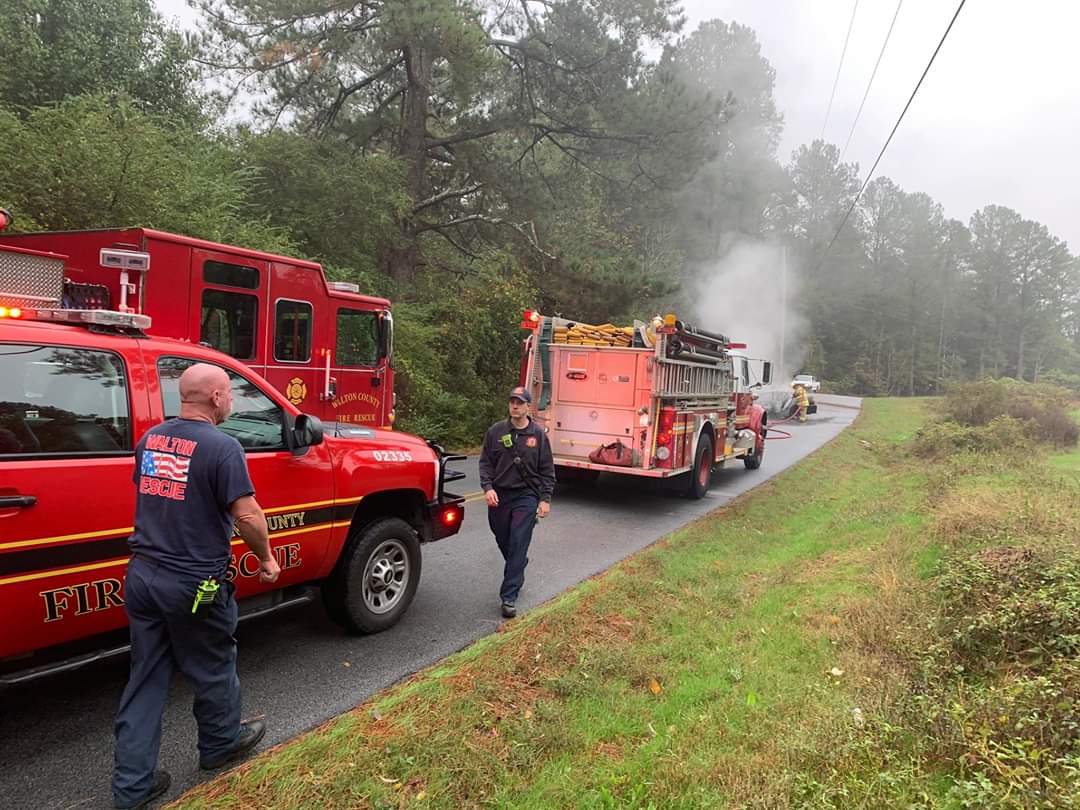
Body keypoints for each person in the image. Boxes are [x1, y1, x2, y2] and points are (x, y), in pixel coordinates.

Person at [112, 363, 280, 809]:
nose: (231, 402)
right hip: (193, 583)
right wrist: (265, 557)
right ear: (217, 398)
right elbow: (246, 515)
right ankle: (221, 744)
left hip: (143, 576)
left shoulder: (151, 439)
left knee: (145, 676)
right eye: (229, 395)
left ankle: (132, 787)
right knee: (212, 662)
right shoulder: (222, 447)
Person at [478, 386, 556, 618]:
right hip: (500, 495)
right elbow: (485, 463)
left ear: (528, 406)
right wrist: (488, 487)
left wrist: (545, 499)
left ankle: (508, 596)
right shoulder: (496, 431)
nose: (514, 405)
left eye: (519, 402)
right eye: (512, 401)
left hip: (526, 496)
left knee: (519, 540)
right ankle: (518, 564)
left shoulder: (538, 435)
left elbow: (547, 470)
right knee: (504, 539)